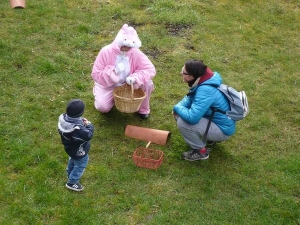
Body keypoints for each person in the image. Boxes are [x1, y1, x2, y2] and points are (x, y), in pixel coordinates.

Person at [173, 60, 236, 161]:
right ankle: (209, 139)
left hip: (222, 130)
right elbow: (190, 98)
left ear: (192, 76)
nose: (181, 74)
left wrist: (176, 108)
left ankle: (201, 151)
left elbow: (192, 118)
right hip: (217, 122)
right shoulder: (204, 80)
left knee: (182, 121)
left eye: (184, 73)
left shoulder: (205, 90)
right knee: (181, 113)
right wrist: (179, 107)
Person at [91, 24, 156, 119]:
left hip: (129, 85)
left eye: (129, 46)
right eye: (124, 44)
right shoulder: (106, 51)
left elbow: (150, 69)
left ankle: (142, 109)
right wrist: (112, 72)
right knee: (103, 108)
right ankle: (105, 96)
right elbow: (96, 73)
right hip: (108, 86)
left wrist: (135, 78)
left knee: (148, 84)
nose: (126, 47)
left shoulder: (136, 53)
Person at [57, 99, 94, 191]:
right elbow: (88, 135)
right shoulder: (77, 130)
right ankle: (72, 182)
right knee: (80, 164)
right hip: (79, 151)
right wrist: (89, 125)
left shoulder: (64, 120)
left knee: (73, 160)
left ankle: (70, 173)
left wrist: (80, 121)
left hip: (70, 148)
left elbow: (74, 121)